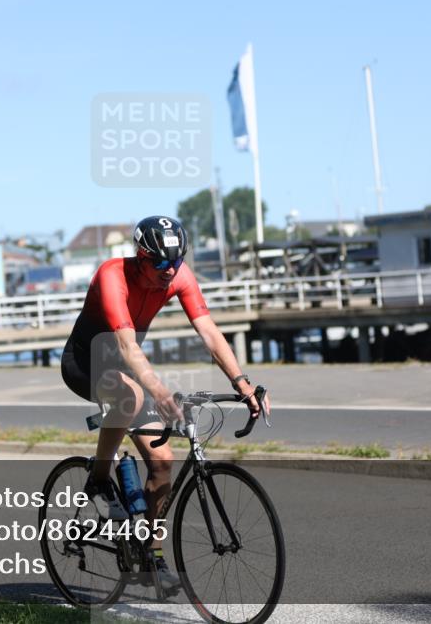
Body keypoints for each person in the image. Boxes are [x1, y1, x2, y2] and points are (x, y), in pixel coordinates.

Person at [60, 215, 271, 592]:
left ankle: (152, 555)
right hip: (86, 362)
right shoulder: (112, 275)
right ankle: (99, 478)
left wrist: (241, 383)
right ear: (140, 257)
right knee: (132, 395)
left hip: (127, 369)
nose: (169, 270)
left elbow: (209, 332)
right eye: (159, 262)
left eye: (176, 261)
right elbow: (127, 346)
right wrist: (160, 392)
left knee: (162, 461)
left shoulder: (179, 276)